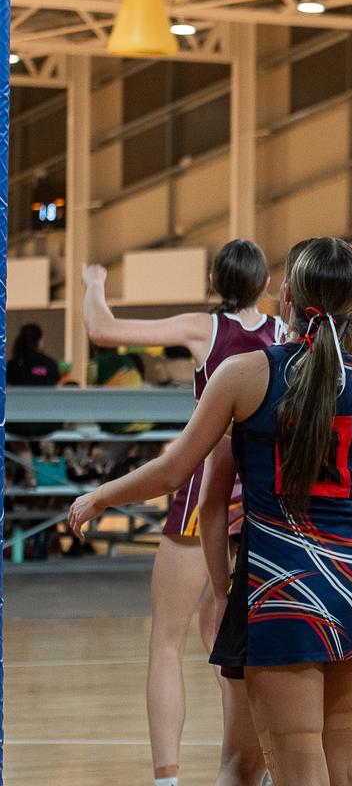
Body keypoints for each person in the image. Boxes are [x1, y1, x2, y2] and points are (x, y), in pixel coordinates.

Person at [70, 237, 352, 786]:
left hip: (281, 595)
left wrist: (100, 496)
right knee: (349, 772)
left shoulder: (241, 374)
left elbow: (174, 473)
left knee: (294, 770)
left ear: (284, 295)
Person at [199, 239, 352, 786]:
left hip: (275, 572)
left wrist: (220, 590)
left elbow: (202, 490)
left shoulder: (250, 370)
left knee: (254, 758)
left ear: (284, 295)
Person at [82, 240, 282, 786]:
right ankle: (250, 771)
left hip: (207, 483)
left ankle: (167, 780)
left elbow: (104, 331)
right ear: (267, 285)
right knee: (237, 651)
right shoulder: (285, 334)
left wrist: (94, 285)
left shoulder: (205, 328)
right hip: (266, 490)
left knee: (167, 641)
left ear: (215, 284)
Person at [6, 322, 61, 486]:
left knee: (16, 439)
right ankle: (48, 472)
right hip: (46, 423)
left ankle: (30, 475)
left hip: (19, 424)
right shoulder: (50, 364)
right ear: (39, 341)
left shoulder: (12, 365)